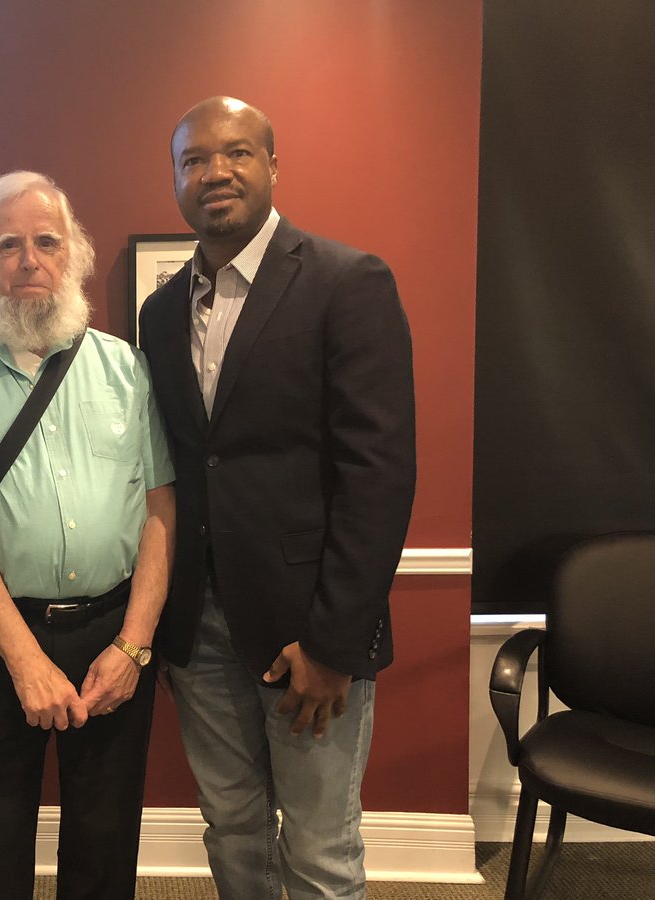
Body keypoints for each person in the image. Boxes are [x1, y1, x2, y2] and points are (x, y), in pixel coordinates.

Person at [138, 96, 416, 900]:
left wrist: (335, 643)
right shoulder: (160, 311)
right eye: (193, 160)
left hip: (309, 627)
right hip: (200, 629)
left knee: (322, 847)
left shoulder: (346, 281)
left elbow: (379, 472)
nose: (214, 172)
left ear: (272, 166)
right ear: (176, 179)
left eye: (236, 153)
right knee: (232, 829)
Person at [0, 170, 176, 900]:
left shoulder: (126, 368)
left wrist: (134, 645)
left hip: (113, 630)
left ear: (73, 256)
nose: (30, 260)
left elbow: (160, 511)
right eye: (9, 245)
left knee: (105, 833)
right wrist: (25, 661)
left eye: (47, 242)